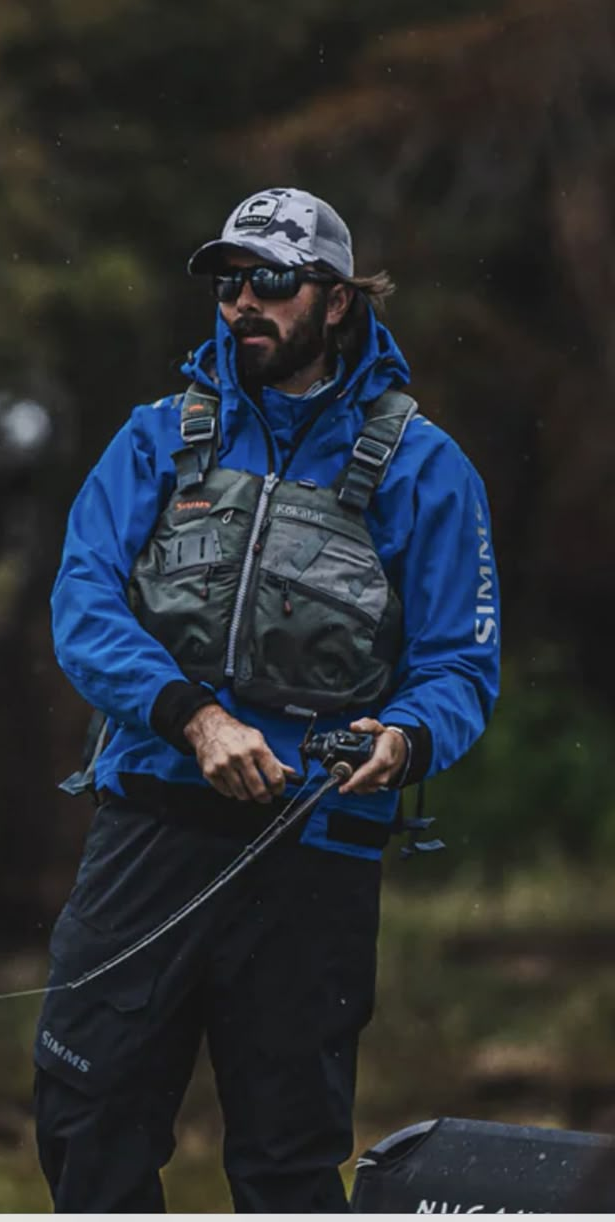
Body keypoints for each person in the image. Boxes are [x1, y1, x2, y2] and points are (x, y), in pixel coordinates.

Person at [33, 187, 500, 1213]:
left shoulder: (427, 466)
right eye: (229, 280)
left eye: (272, 281)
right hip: (149, 828)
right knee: (86, 1119)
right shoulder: (154, 440)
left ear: (334, 300)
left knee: (288, 1160)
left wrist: (409, 738)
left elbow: (460, 665)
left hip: (317, 849)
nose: (245, 301)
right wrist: (193, 717)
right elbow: (81, 603)